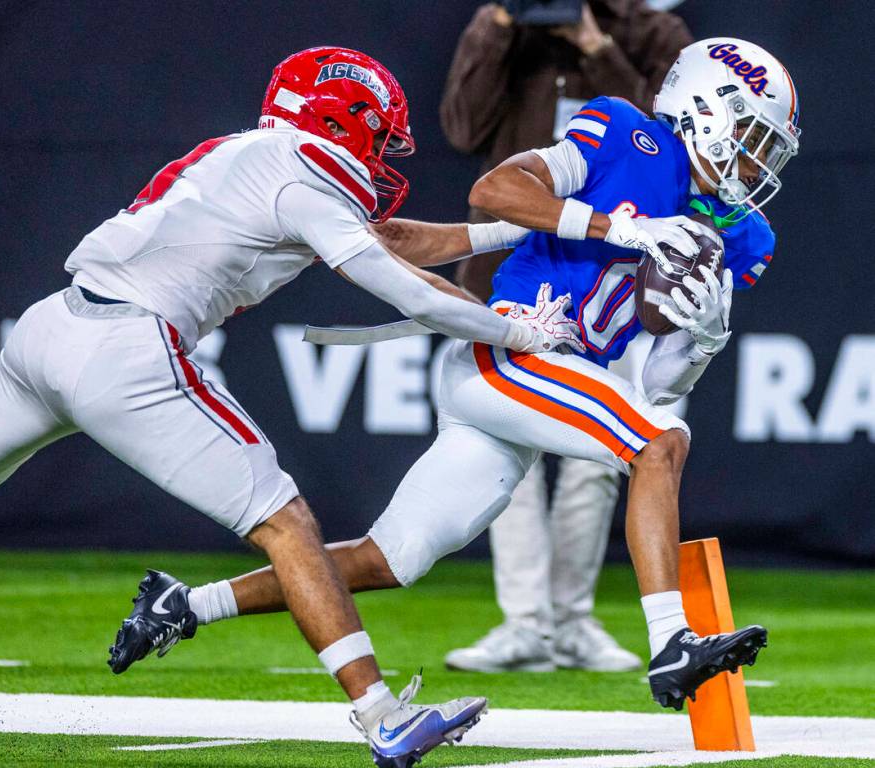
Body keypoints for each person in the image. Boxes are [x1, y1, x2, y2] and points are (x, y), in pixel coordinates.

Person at [0, 46, 577, 768]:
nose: (378, 153)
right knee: (287, 524)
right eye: (376, 134)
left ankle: (379, 712)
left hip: (50, 329)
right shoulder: (305, 177)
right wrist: (516, 331)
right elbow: (404, 291)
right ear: (345, 118)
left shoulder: (249, 156)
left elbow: (390, 246)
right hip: (129, 351)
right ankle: (382, 715)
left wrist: (524, 226)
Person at [170, 38, 798, 711]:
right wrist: (620, 228)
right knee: (658, 441)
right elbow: (494, 188)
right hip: (510, 352)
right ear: (704, 109)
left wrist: (703, 340)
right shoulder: (623, 134)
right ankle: (672, 642)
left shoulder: (741, 235)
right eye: (752, 138)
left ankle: (184, 606)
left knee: (391, 558)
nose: (756, 161)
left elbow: (655, 385)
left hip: (552, 380)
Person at [440, 0, 694, 674]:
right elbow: (461, 128)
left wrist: (593, 43)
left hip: (619, 291)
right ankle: (523, 622)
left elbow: (674, 150)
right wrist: (497, 24)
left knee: (598, 464)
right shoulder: (509, 27)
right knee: (508, 461)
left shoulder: (648, 29)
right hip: (511, 277)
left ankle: (571, 620)